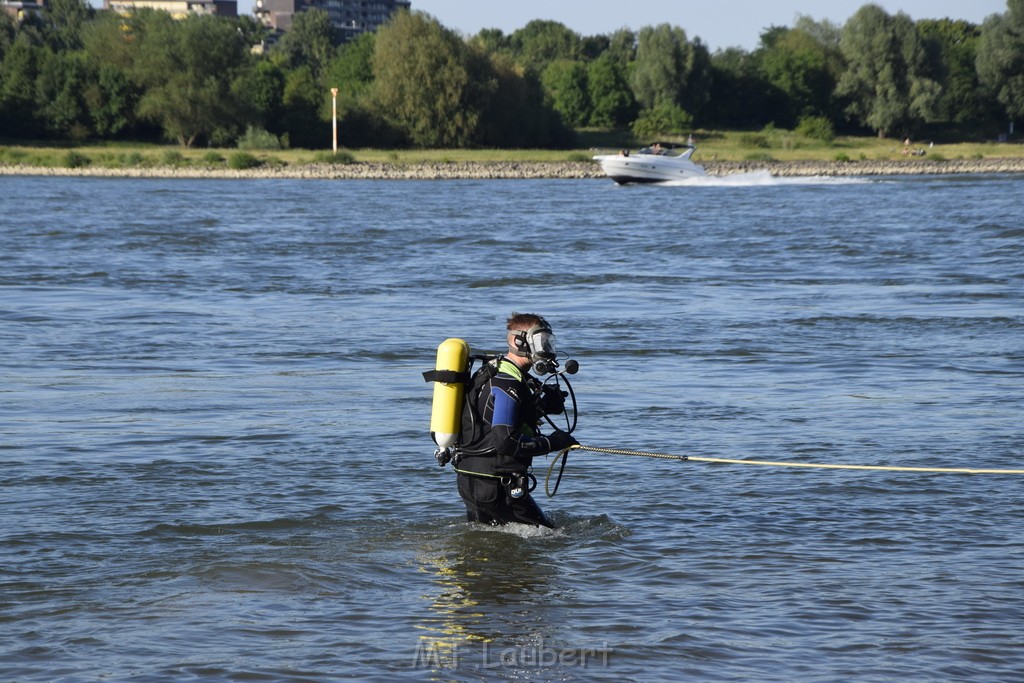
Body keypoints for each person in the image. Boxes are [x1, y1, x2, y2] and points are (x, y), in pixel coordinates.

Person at [452, 313, 577, 528]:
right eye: (541, 341)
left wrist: (545, 406)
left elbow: (492, 418)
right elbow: (506, 441)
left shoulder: (496, 371)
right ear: (520, 341)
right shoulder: (508, 383)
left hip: (471, 480)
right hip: (496, 485)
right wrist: (554, 442)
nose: (546, 348)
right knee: (549, 538)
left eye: (549, 341)